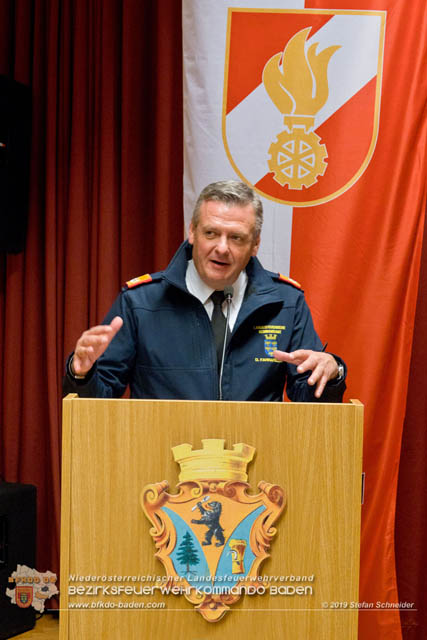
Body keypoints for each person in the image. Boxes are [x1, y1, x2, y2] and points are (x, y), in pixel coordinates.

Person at [63, 180, 346, 402]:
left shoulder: (285, 303)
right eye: (211, 233)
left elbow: (309, 399)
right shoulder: (140, 302)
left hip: (253, 465)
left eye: (236, 237)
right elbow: (99, 401)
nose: (222, 248)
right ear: (192, 232)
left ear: (255, 244)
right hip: (161, 466)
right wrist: (81, 373)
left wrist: (331, 373)